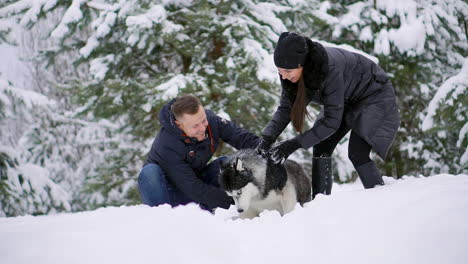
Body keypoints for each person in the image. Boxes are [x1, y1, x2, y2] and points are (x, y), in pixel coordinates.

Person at [257, 32, 400, 199]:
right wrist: (267, 138)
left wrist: (294, 144)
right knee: (321, 147)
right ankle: (321, 202)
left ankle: (380, 197)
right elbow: (286, 108)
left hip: (374, 94)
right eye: (279, 71)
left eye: (287, 70)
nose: (283, 76)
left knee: (357, 152)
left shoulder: (328, 69)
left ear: (302, 64)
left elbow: (331, 122)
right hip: (346, 97)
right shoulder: (291, 75)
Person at [138, 94, 260, 211]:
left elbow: (241, 138)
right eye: (195, 126)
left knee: (228, 164)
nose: (202, 128)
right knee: (149, 172)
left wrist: (269, 150)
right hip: (170, 194)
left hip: (194, 183)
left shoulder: (211, 122)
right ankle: (161, 220)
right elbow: (191, 187)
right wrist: (229, 200)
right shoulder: (167, 145)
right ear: (179, 125)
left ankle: (206, 211)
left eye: (203, 120)